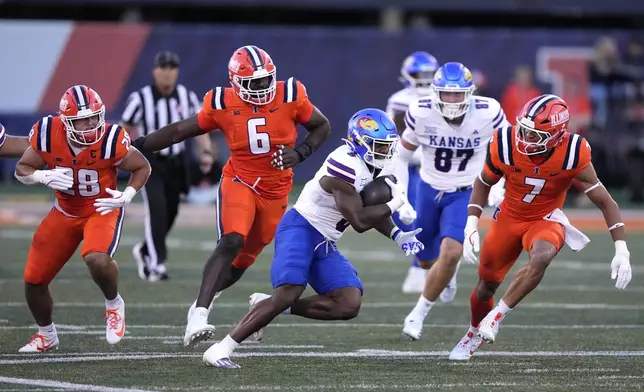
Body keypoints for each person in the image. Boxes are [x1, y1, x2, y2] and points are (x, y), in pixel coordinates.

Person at [131, 45, 332, 347]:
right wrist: (139, 145)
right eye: (255, 83)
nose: (263, 88)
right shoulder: (222, 102)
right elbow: (179, 132)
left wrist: (301, 152)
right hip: (240, 180)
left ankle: (202, 303)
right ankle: (199, 314)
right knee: (231, 240)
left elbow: (321, 125)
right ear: (236, 82)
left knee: (241, 263)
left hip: (276, 190)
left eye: (266, 80)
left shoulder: (290, 93)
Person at [201, 108, 423, 368]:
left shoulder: (373, 165)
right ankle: (220, 349)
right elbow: (360, 220)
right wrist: (396, 202)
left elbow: (367, 207)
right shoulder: (344, 164)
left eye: (387, 147)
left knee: (348, 303)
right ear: (359, 142)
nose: (385, 153)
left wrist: (397, 234)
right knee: (288, 292)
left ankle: (272, 306)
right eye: (379, 146)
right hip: (301, 229)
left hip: (325, 240)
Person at [449, 94, 633, 361]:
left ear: (557, 136)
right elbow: (483, 182)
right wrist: (471, 224)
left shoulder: (573, 152)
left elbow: (605, 201)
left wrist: (621, 249)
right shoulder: (505, 142)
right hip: (508, 217)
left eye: (534, 135)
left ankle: (497, 316)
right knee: (485, 286)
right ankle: (472, 333)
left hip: (545, 218)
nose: (524, 138)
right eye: (523, 130)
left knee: (543, 255)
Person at [14, 85, 151, 352]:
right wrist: (40, 176)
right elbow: (23, 167)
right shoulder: (47, 133)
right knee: (34, 279)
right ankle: (47, 334)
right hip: (64, 212)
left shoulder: (111, 138)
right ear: (65, 122)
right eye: (81, 120)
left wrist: (128, 194)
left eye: (93, 117)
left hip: (101, 208)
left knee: (96, 257)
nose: (90, 125)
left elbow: (142, 166)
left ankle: (113, 305)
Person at [396, 62, 507, 341]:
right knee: (425, 260)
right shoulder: (421, 112)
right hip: (428, 189)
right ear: (436, 93)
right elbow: (401, 155)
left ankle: (417, 314)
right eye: (447, 94)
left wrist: (499, 186)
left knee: (452, 253)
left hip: (465, 192)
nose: (453, 100)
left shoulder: (488, 112)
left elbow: (508, 151)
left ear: (470, 94)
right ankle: (448, 274)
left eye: (459, 94)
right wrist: (401, 195)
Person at [120, 51, 214, 281]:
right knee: (157, 211)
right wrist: (119, 154)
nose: (168, 73)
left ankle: (144, 250)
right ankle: (156, 264)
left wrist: (207, 152)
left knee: (171, 211)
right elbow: (125, 128)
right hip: (149, 162)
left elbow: (200, 125)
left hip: (177, 162)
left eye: (172, 68)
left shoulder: (187, 96)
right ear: (155, 71)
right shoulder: (139, 98)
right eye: (163, 68)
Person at [385, 51, 440, 294]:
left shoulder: (443, 97)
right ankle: (421, 260)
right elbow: (391, 132)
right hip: (403, 163)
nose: (425, 79)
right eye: (420, 74)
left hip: (432, 165)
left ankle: (421, 265)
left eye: (429, 74)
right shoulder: (399, 99)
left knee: (424, 216)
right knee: (398, 212)